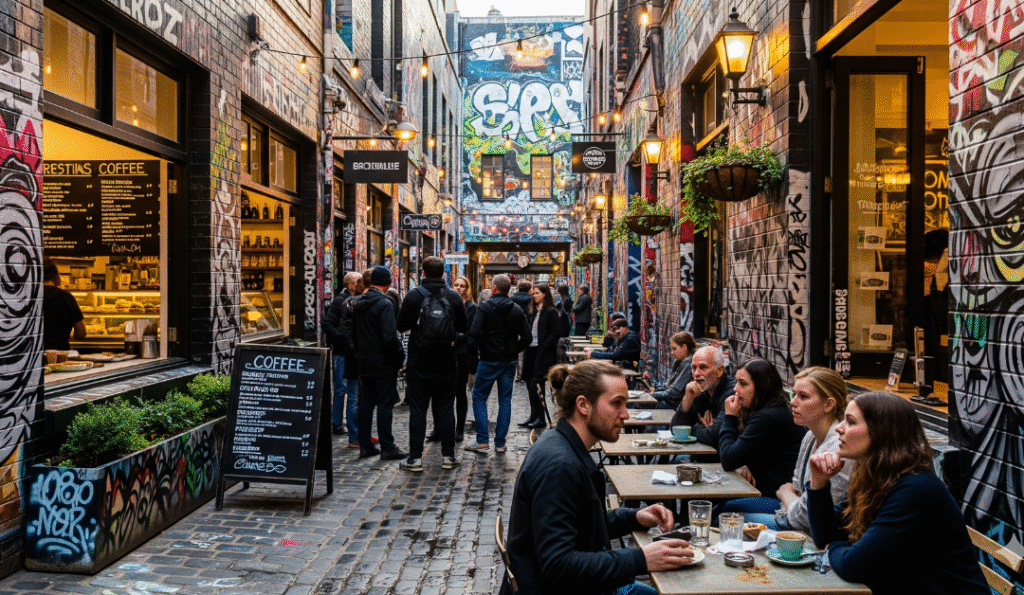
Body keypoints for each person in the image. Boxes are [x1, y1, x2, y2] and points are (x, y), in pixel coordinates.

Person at [500, 360, 696, 595]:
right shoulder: (560, 466)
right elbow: (557, 565)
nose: (625, 414)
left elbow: (583, 527)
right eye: (616, 404)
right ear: (583, 405)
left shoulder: (564, 446)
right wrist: (640, 559)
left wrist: (634, 517)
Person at [807, 392, 988, 594]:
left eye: (850, 422)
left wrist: (833, 548)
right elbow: (825, 535)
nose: (839, 428)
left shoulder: (915, 489)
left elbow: (854, 566)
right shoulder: (873, 477)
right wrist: (819, 482)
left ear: (881, 432)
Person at [396, 256, 467, 471]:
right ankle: (448, 456)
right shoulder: (453, 297)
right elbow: (464, 325)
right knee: (446, 407)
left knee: (418, 409)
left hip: (419, 360)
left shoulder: (415, 295)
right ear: (444, 273)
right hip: (446, 360)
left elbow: (400, 325)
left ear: (423, 272)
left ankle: (415, 459)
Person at [773, 366, 852, 532]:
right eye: (793, 394)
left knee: (731, 513)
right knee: (730, 509)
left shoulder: (840, 448)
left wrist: (784, 494)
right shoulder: (810, 436)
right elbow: (797, 489)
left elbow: (808, 516)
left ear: (828, 404)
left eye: (803, 396)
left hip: (815, 535)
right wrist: (790, 498)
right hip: (793, 518)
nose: (793, 402)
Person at [716, 359, 807, 503]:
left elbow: (727, 459)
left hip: (779, 498)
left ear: (762, 387)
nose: (735, 389)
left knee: (725, 511)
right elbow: (735, 454)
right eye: (736, 382)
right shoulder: (767, 411)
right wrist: (742, 462)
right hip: (765, 490)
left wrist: (729, 417)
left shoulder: (768, 417)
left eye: (743, 383)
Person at [465, 274, 530, 454]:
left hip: (488, 359)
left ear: (493, 288)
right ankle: (500, 443)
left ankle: (483, 440)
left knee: (479, 397)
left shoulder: (484, 308)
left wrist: (483, 347)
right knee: (505, 400)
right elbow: (527, 337)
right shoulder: (517, 309)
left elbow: (475, 332)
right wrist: (514, 349)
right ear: (509, 289)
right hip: (508, 361)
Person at [353, 266, 407, 461]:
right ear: (388, 284)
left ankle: (365, 445)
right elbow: (389, 337)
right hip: (383, 361)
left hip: (364, 360)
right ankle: (387, 446)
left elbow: (352, 333)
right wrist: (399, 357)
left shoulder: (358, 302)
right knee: (385, 403)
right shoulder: (384, 303)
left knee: (366, 402)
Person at [322, 271, 362, 439]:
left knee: (351, 389)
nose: (361, 284)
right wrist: (343, 338)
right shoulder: (340, 301)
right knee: (341, 387)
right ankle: (337, 422)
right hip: (342, 352)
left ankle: (347, 422)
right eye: (358, 281)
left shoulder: (359, 299)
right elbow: (327, 324)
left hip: (352, 352)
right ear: (351, 285)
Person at [670, 345, 735, 449]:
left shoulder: (731, 392)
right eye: (694, 368)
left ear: (719, 371)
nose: (696, 373)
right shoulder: (699, 390)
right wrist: (688, 398)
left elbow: (713, 436)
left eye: (703, 367)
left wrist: (693, 429)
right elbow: (675, 430)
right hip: (702, 455)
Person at [518, 282, 559, 429]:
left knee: (537, 386)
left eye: (537, 293)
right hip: (531, 351)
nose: (534, 296)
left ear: (544, 294)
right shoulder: (534, 310)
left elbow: (555, 333)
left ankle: (541, 419)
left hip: (543, 353)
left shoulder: (551, 311)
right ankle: (533, 416)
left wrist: (544, 346)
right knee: (530, 385)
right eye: (533, 293)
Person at [42, 260, 86, 350]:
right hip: (60, 352)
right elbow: (81, 333)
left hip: (33, 354)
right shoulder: (66, 297)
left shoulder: (28, 297)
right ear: (55, 276)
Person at [648, 332, 697, 410]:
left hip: (674, 406)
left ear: (684, 347)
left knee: (640, 404)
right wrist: (656, 389)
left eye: (674, 349)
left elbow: (674, 393)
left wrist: (652, 395)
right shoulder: (680, 362)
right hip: (671, 403)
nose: (672, 352)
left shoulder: (688, 365)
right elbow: (669, 386)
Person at [510, 281, 532, 381]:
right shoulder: (531, 299)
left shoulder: (512, 298)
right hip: (528, 326)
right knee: (526, 350)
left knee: (517, 351)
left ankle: (518, 374)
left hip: (514, 326)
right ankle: (525, 372)